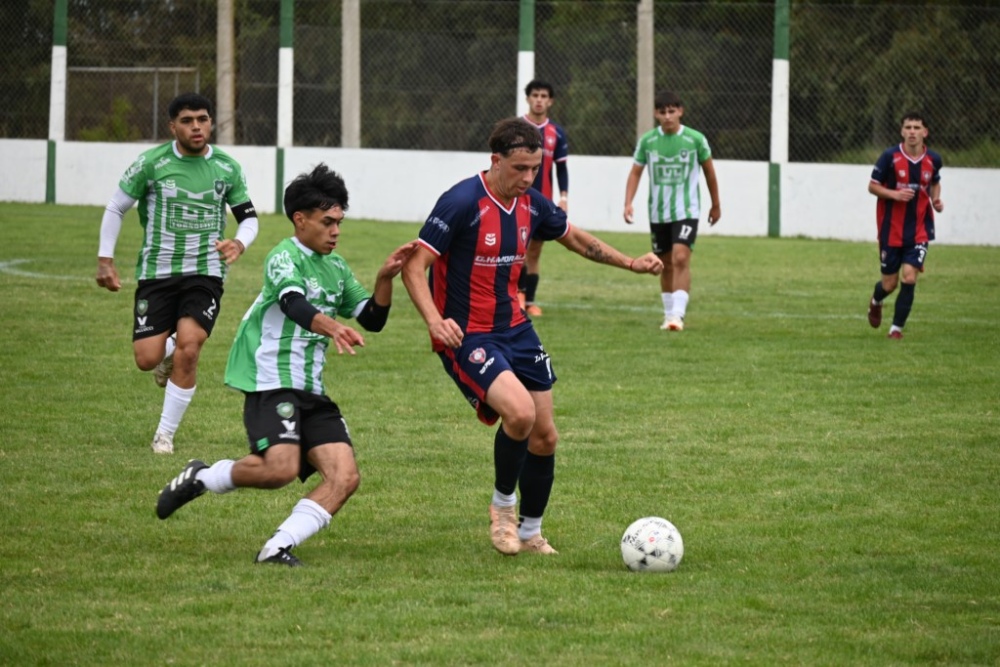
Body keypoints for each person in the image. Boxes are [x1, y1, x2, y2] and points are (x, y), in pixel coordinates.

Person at [401, 118, 662, 557]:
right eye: (519, 168)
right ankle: (503, 508)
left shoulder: (531, 202)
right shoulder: (461, 201)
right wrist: (433, 320)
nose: (527, 177)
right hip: (468, 334)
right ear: (495, 160)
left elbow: (575, 238)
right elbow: (414, 266)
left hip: (517, 329)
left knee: (545, 436)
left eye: (533, 168)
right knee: (518, 414)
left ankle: (531, 531)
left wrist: (631, 263)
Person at [155, 163, 417, 567]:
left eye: (339, 222)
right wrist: (332, 327)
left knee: (345, 477)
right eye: (328, 222)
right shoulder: (284, 256)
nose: (336, 231)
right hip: (271, 379)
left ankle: (277, 547)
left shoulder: (337, 268)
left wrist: (385, 278)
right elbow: (294, 304)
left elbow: (372, 319)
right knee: (278, 469)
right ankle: (203, 477)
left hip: (311, 388)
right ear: (301, 219)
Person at [95, 92, 259, 455]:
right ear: (173, 126)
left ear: (211, 122)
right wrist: (105, 258)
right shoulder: (151, 164)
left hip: (206, 272)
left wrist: (240, 243)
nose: (196, 126)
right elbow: (116, 206)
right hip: (158, 272)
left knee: (191, 347)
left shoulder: (227, 168)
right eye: (187, 120)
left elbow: (248, 217)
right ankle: (165, 350)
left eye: (202, 119)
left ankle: (164, 435)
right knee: (146, 359)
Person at [623, 90, 721, 332]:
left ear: (680, 111)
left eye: (672, 111)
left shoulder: (695, 139)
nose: (668, 116)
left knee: (680, 257)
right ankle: (668, 316)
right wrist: (628, 202)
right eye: (662, 112)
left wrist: (715, 204)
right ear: (656, 114)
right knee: (664, 262)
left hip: (687, 210)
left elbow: (709, 172)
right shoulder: (648, 141)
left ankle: (678, 314)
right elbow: (636, 172)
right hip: (658, 212)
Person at [866, 112, 943, 339]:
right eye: (908, 127)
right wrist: (894, 194)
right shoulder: (889, 156)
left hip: (919, 229)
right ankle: (876, 300)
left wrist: (936, 199)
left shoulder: (934, 159)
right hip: (891, 230)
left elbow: (935, 182)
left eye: (916, 127)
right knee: (889, 284)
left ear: (924, 132)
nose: (912, 131)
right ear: (902, 131)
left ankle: (896, 330)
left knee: (909, 277)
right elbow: (872, 186)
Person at [517, 79, 569, 317]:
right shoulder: (516, 128)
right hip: (516, 200)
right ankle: (516, 298)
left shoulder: (556, 132)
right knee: (516, 250)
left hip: (541, 203)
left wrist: (564, 197)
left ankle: (530, 302)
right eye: (535, 95)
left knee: (534, 252)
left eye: (543, 96)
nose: (539, 100)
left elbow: (561, 168)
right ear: (527, 98)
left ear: (550, 101)